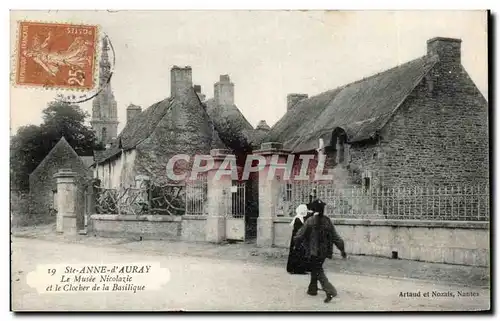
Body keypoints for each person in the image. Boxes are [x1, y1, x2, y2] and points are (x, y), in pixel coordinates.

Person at [293, 192, 347, 303]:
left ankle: (330, 290)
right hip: (324, 252)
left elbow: (299, 235)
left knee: (318, 271)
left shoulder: (310, 221)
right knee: (316, 269)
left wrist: (296, 244)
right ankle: (312, 289)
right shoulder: (327, 221)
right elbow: (336, 237)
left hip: (313, 252)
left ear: (313, 209)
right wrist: (342, 250)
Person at [286, 204, 312, 274]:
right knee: (297, 253)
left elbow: (309, 215)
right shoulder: (298, 219)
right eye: (304, 210)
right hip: (297, 239)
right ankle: (297, 270)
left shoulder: (301, 217)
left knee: (301, 253)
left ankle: (300, 269)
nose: (305, 211)